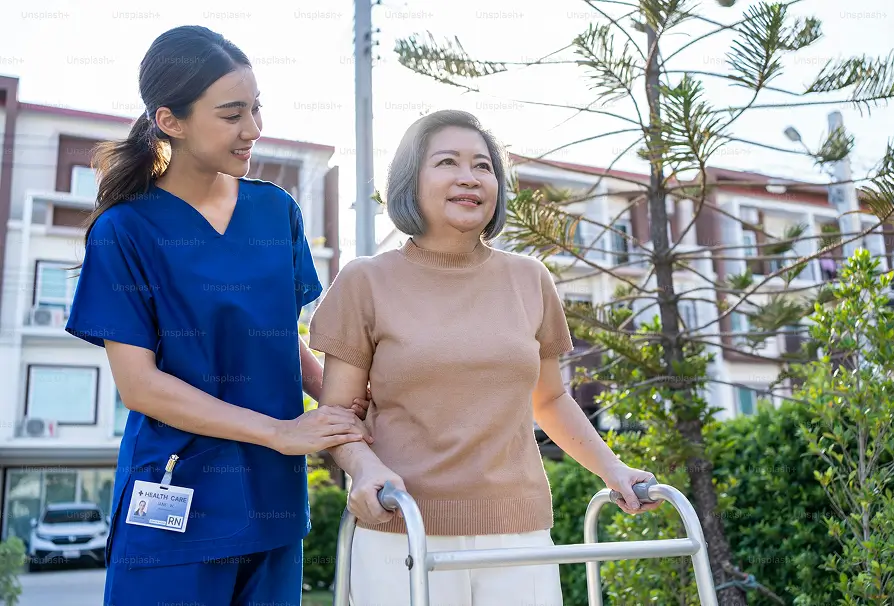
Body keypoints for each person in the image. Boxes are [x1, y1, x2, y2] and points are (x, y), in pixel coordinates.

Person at [65, 25, 372, 606]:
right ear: (170, 121)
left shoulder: (275, 211)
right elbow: (141, 386)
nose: (252, 130)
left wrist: (348, 403)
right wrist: (282, 432)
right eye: (232, 114)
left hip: (274, 504)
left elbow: (284, 344)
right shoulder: (124, 230)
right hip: (175, 501)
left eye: (256, 109)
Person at [308, 109, 661, 606]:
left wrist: (614, 470)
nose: (469, 177)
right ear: (412, 179)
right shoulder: (366, 281)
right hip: (400, 528)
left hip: (518, 533)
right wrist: (364, 470)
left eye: (484, 166)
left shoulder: (529, 278)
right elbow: (338, 413)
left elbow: (552, 398)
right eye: (447, 162)